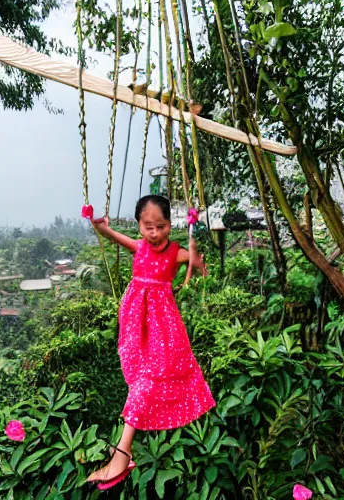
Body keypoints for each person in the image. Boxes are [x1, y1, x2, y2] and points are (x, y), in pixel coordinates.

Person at [86, 195, 215, 490]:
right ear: (139, 226)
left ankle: (122, 451)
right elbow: (119, 239)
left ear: (170, 225)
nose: (154, 233)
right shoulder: (140, 246)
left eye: (161, 226)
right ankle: (123, 450)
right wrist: (102, 227)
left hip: (163, 327)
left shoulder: (174, 252)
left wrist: (197, 258)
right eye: (148, 227)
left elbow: (193, 259)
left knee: (148, 381)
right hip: (135, 323)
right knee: (139, 380)